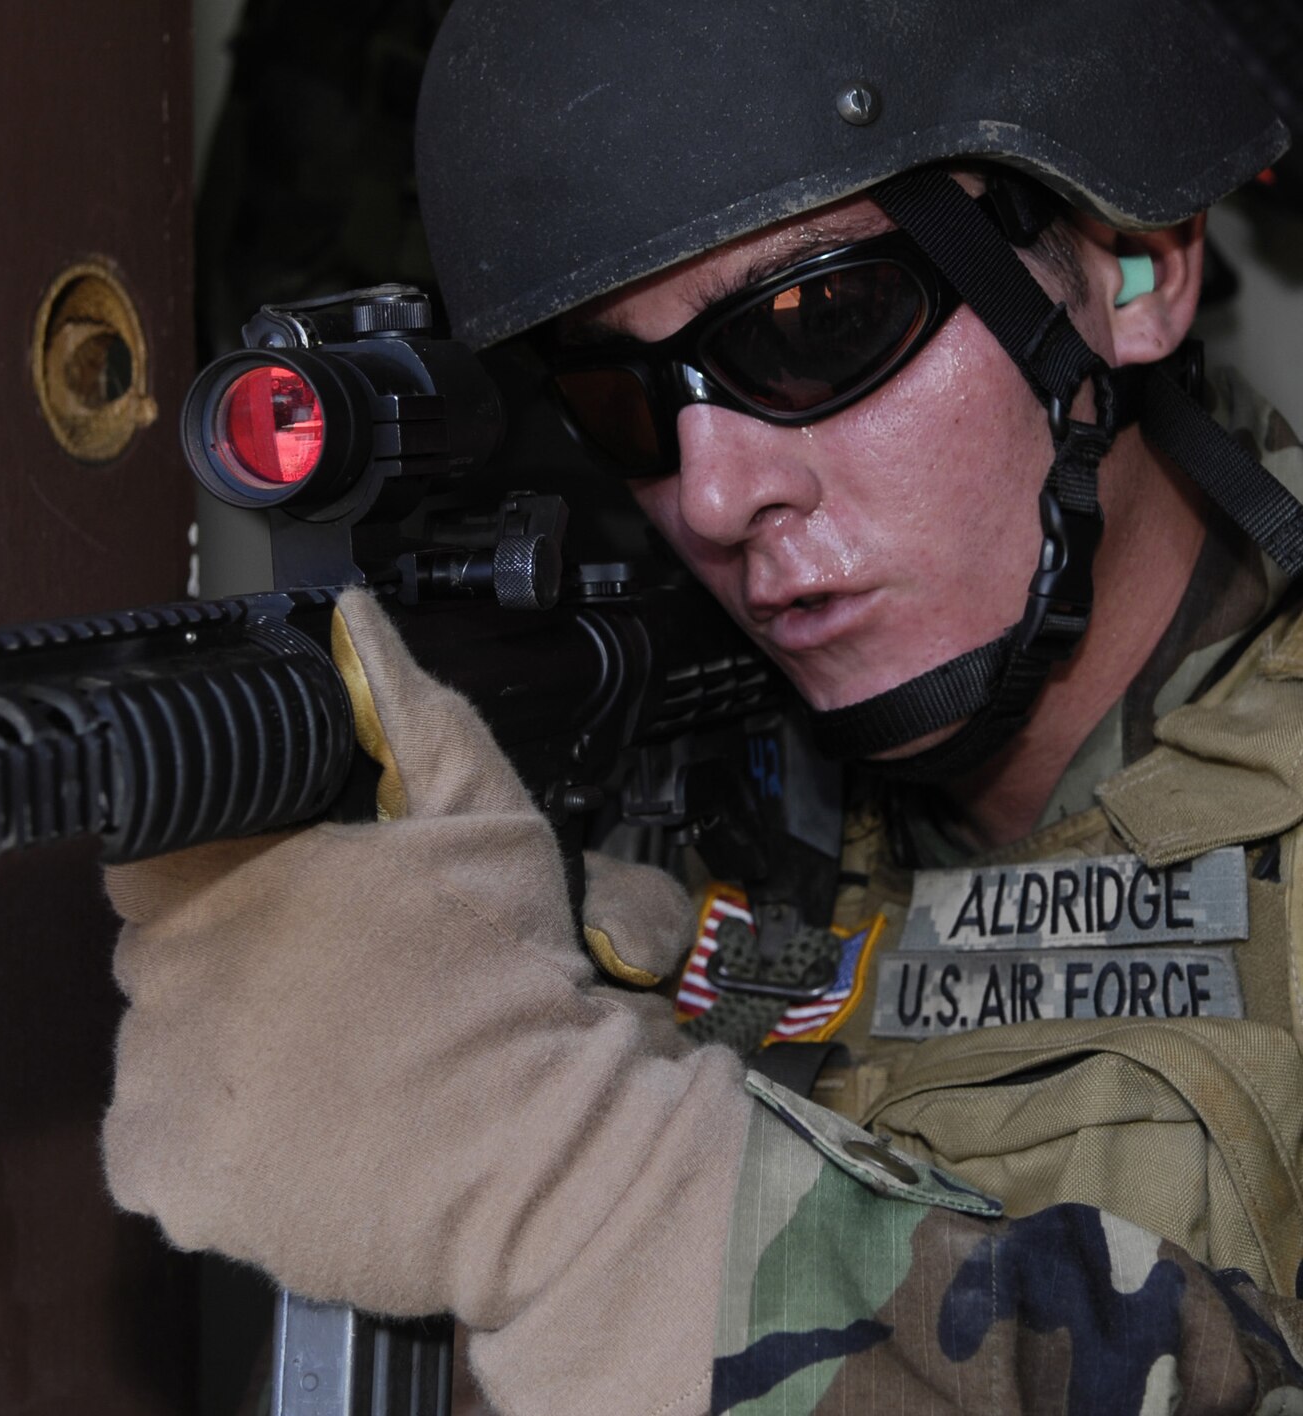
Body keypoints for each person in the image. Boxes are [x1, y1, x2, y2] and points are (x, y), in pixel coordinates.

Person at [103, 1, 1303, 1410]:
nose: (717, 494)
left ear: (1134, 271)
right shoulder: (692, 808)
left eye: (820, 325)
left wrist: (593, 1196)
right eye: (624, 401)